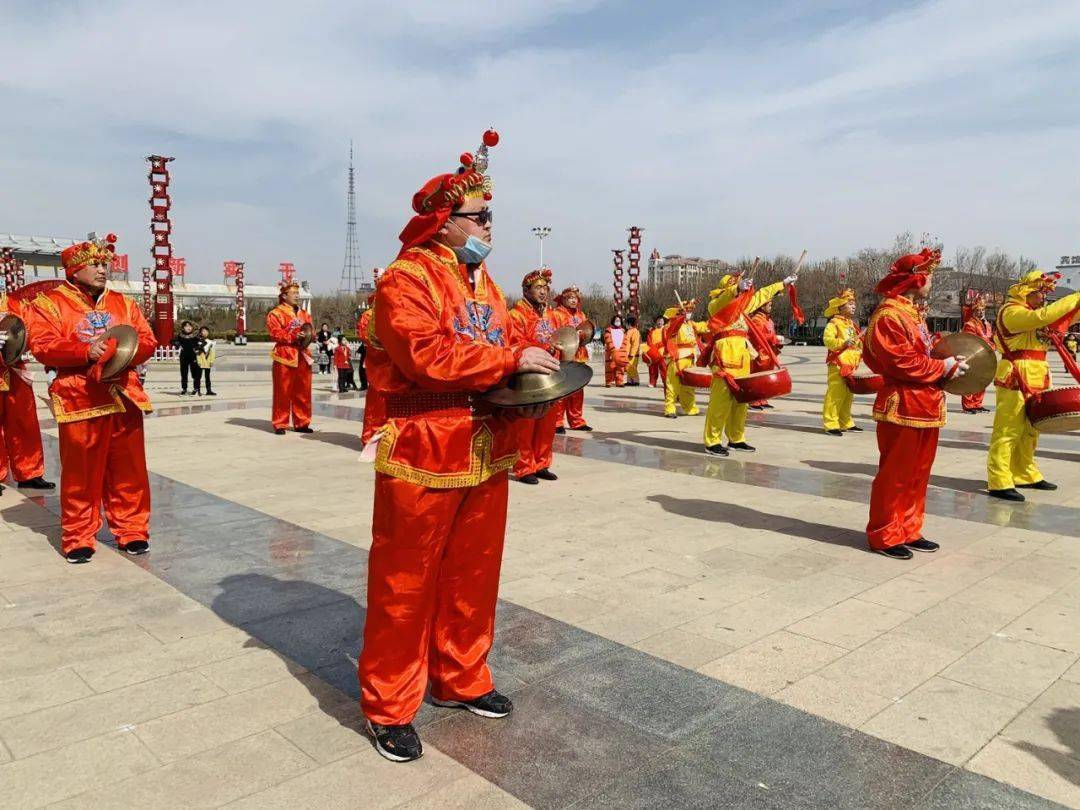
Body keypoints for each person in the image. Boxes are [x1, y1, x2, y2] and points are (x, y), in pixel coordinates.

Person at [357, 130, 561, 763]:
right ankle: (389, 704)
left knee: (474, 570)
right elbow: (424, 355)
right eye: (480, 216)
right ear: (444, 222)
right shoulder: (406, 279)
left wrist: (531, 376)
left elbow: (497, 355)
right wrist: (508, 357)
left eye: (490, 215)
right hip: (424, 441)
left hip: (484, 441)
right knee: (404, 578)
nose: (489, 226)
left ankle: (460, 676)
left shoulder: (486, 285)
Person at [24, 232, 157, 563]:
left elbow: (147, 339)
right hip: (80, 396)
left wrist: (120, 350)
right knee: (81, 472)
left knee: (129, 470)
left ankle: (132, 531)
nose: (102, 269)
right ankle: (78, 535)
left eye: (104, 264)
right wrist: (85, 351)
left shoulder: (123, 303)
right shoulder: (49, 303)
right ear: (74, 269)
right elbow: (43, 345)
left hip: (123, 394)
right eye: (95, 264)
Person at [863, 248, 966, 560]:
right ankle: (884, 533)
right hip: (903, 404)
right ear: (915, 279)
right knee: (895, 473)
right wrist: (943, 367)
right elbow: (901, 363)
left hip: (926, 402)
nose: (932, 281)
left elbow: (925, 354)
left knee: (918, 472)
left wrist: (950, 358)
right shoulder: (888, 315)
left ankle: (908, 527)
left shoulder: (912, 313)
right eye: (929, 275)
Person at [986, 271, 1080, 501]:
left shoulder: (1032, 312)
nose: (1044, 298)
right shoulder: (1011, 312)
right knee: (1008, 430)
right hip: (1016, 374)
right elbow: (1043, 317)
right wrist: (1076, 296)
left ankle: (1025, 473)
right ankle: (999, 480)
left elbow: (1064, 314)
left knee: (1031, 429)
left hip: (1036, 373)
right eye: (1040, 292)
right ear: (1026, 291)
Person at [701, 271, 795, 454]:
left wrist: (781, 284)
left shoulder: (742, 308)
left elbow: (761, 296)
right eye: (736, 284)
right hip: (725, 354)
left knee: (741, 402)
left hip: (742, 354)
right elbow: (724, 300)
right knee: (720, 402)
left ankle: (736, 438)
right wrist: (736, 289)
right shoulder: (716, 304)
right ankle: (712, 441)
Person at [508, 267, 562, 484]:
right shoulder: (516, 315)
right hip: (528, 378)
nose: (543, 291)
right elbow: (515, 343)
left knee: (547, 423)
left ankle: (542, 463)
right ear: (526, 290)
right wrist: (542, 347)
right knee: (526, 424)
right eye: (538, 287)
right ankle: (524, 466)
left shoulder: (551, 315)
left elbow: (560, 337)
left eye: (546, 287)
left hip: (550, 374)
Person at [0, 289, 53, 492]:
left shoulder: (16, 304)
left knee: (24, 422)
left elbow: (36, 334)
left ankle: (29, 472)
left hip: (15, 372)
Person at [266, 281, 314, 435]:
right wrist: (293, 334)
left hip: (302, 355)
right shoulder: (276, 313)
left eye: (297, 293)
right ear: (284, 295)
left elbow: (311, 330)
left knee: (303, 391)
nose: (297, 296)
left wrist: (310, 335)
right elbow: (275, 334)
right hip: (284, 356)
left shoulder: (304, 314)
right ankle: (280, 423)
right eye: (294, 293)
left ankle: (302, 422)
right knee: (283, 392)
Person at [821, 288, 863, 435]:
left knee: (848, 396)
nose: (853, 306)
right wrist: (844, 342)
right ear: (840, 307)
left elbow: (857, 343)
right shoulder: (834, 323)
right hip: (838, 363)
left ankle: (846, 422)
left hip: (851, 364)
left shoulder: (851, 324)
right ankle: (831, 424)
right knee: (835, 395)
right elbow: (828, 340)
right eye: (850, 303)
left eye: (854, 303)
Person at [552, 286, 593, 433]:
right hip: (562, 356)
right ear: (563, 299)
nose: (573, 300)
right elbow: (554, 335)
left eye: (575, 298)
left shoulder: (581, 315)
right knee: (561, 390)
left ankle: (577, 421)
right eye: (570, 297)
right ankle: (557, 421)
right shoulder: (556, 314)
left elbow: (587, 332)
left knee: (577, 390)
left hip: (579, 355)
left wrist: (583, 334)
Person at [661, 300, 708, 417]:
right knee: (673, 385)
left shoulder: (691, 324)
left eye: (691, 311)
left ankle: (690, 408)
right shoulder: (673, 324)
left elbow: (705, 327)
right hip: (678, 357)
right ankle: (670, 408)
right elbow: (668, 334)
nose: (689, 313)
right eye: (687, 310)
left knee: (688, 386)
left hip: (691, 357)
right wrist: (678, 318)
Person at [747, 297, 784, 410]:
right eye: (769, 305)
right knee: (756, 378)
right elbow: (757, 337)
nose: (771, 307)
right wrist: (774, 338)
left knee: (765, 378)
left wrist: (777, 342)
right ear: (762, 306)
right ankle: (753, 400)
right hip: (760, 352)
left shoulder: (769, 320)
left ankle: (762, 399)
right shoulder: (757, 320)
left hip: (769, 353)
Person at [960, 294, 993, 414]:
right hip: (973, 355)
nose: (980, 312)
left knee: (982, 380)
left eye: (982, 310)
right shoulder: (970, 324)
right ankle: (968, 405)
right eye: (978, 310)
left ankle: (977, 403)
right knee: (971, 380)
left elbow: (990, 338)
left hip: (984, 356)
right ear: (973, 312)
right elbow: (971, 341)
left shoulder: (987, 324)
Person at [172, 320, 201, 395]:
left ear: (192, 327)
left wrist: (198, 348)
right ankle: (184, 388)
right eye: (186, 326)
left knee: (195, 373)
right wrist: (178, 345)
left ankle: (196, 388)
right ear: (183, 328)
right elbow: (172, 341)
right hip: (184, 356)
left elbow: (202, 342)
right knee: (184, 373)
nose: (188, 328)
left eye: (189, 326)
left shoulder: (195, 336)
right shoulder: (180, 336)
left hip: (193, 356)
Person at [603, 314, 630, 387]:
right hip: (610, 352)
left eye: (619, 320)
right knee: (609, 367)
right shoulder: (608, 330)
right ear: (613, 321)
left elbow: (625, 341)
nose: (617, 322)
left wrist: (622, 350)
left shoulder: (623, 331)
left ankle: (619, 382)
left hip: (620, 352)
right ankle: (608, 382)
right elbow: (608, 340)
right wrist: (612, 349)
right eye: (616, 320)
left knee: (620, 368)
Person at [644, 315, 666, 389]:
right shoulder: (652, 331)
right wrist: (651, 348)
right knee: (652, 368)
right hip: (653, 353)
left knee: (663, 368)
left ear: (663, 322)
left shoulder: (666, 330)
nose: (660, 322)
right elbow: (649, 341)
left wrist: (657, 345)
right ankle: (652, 382)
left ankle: (665, 382)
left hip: (662, 353)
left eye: (661, 320)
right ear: (656, 322)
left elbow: (666, 341)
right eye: (658, 320)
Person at [195, 326, 216, 396]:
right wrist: (199, 361)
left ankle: (209, 390)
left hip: (208, 361)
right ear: (200, 333)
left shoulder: (211, 342)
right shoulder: (198, 342)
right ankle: (198, 390)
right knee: (198, 377)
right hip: (201, 361)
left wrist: (212, 361)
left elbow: (213, 352)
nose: (205, 332)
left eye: (206, 331)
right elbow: (197, 353)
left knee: (207, 377)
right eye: (203, 331)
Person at [624, 315, 642, 386]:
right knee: (628, 367)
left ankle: (635, 380)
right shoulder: (628, 331)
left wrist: (632, 353)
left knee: (632, 367)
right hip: (627, 353)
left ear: (629, 324)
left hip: (632, 355)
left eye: (626, 323)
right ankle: (629, 381)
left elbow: (635, 344)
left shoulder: (635, 332)